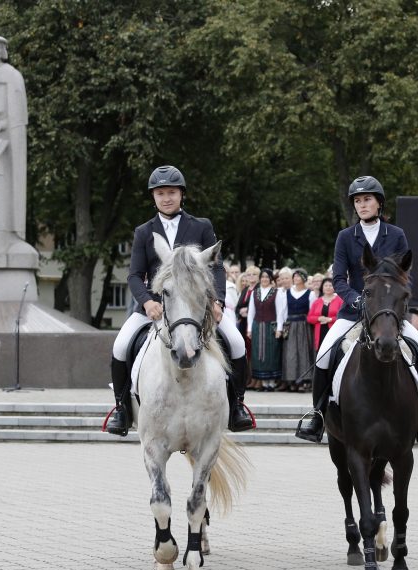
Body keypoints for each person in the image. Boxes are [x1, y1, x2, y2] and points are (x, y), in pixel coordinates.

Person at [295, 175, 418, 446]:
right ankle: (318, 415)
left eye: (367, 199)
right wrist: (356, 300)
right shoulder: (345, 237)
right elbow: (340, 279)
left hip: (389, 315)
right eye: (357, 201)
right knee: (322, 356)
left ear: (379, 203)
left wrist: (401, 307)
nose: (362, 204)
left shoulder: (397, 235)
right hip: (353, 313)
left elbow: (404, 276)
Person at [106, 165, 253, 436]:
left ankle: (237, 406)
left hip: (196, 307)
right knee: (121, 345)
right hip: (155, 307)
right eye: (160, 193)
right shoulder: (143, 232)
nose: (166, 198)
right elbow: (135, 275)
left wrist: (217, 301)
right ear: (153, 197)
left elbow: (216, 267)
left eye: (171, 192)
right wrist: (148, 302)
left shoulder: (201, 226)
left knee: (236, 342)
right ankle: (121, 408)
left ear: (181, 194)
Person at [278, 269, 316, 392]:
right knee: (290, 353)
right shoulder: (287, 293)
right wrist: (280, 328)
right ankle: (291, 381)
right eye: (294, 277)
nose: (295, 278)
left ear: (304, 278)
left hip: (304, 325)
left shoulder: (310, 294)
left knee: (304, 352)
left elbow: (312, 311)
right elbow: (282, 313)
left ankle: (303, 381)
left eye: (298, 276)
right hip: (290, 325)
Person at [247, 269, 283, 391]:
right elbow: (251, 311)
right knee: (258, 354)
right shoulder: (255, 292)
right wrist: (249, 328)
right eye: (262, 277)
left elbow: (280, 312)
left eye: (267, 277)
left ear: (271, 279)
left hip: (270, 326)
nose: (264, 279)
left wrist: (279, 328)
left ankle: (271, 382)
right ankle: (262, 382)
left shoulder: (276, 292)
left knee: (271, 353)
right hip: (257, 326)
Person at [307, 278, 342, 350]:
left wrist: (330, 319)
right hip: (320, 332)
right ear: (322, 287)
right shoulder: (317, 302)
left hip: (334, 331)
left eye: (330, 285)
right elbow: (309, 318)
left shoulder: (340, 300)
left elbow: (343, 317)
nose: (328, 287)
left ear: (334, 287)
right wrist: (318, 318)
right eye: (326, 285)